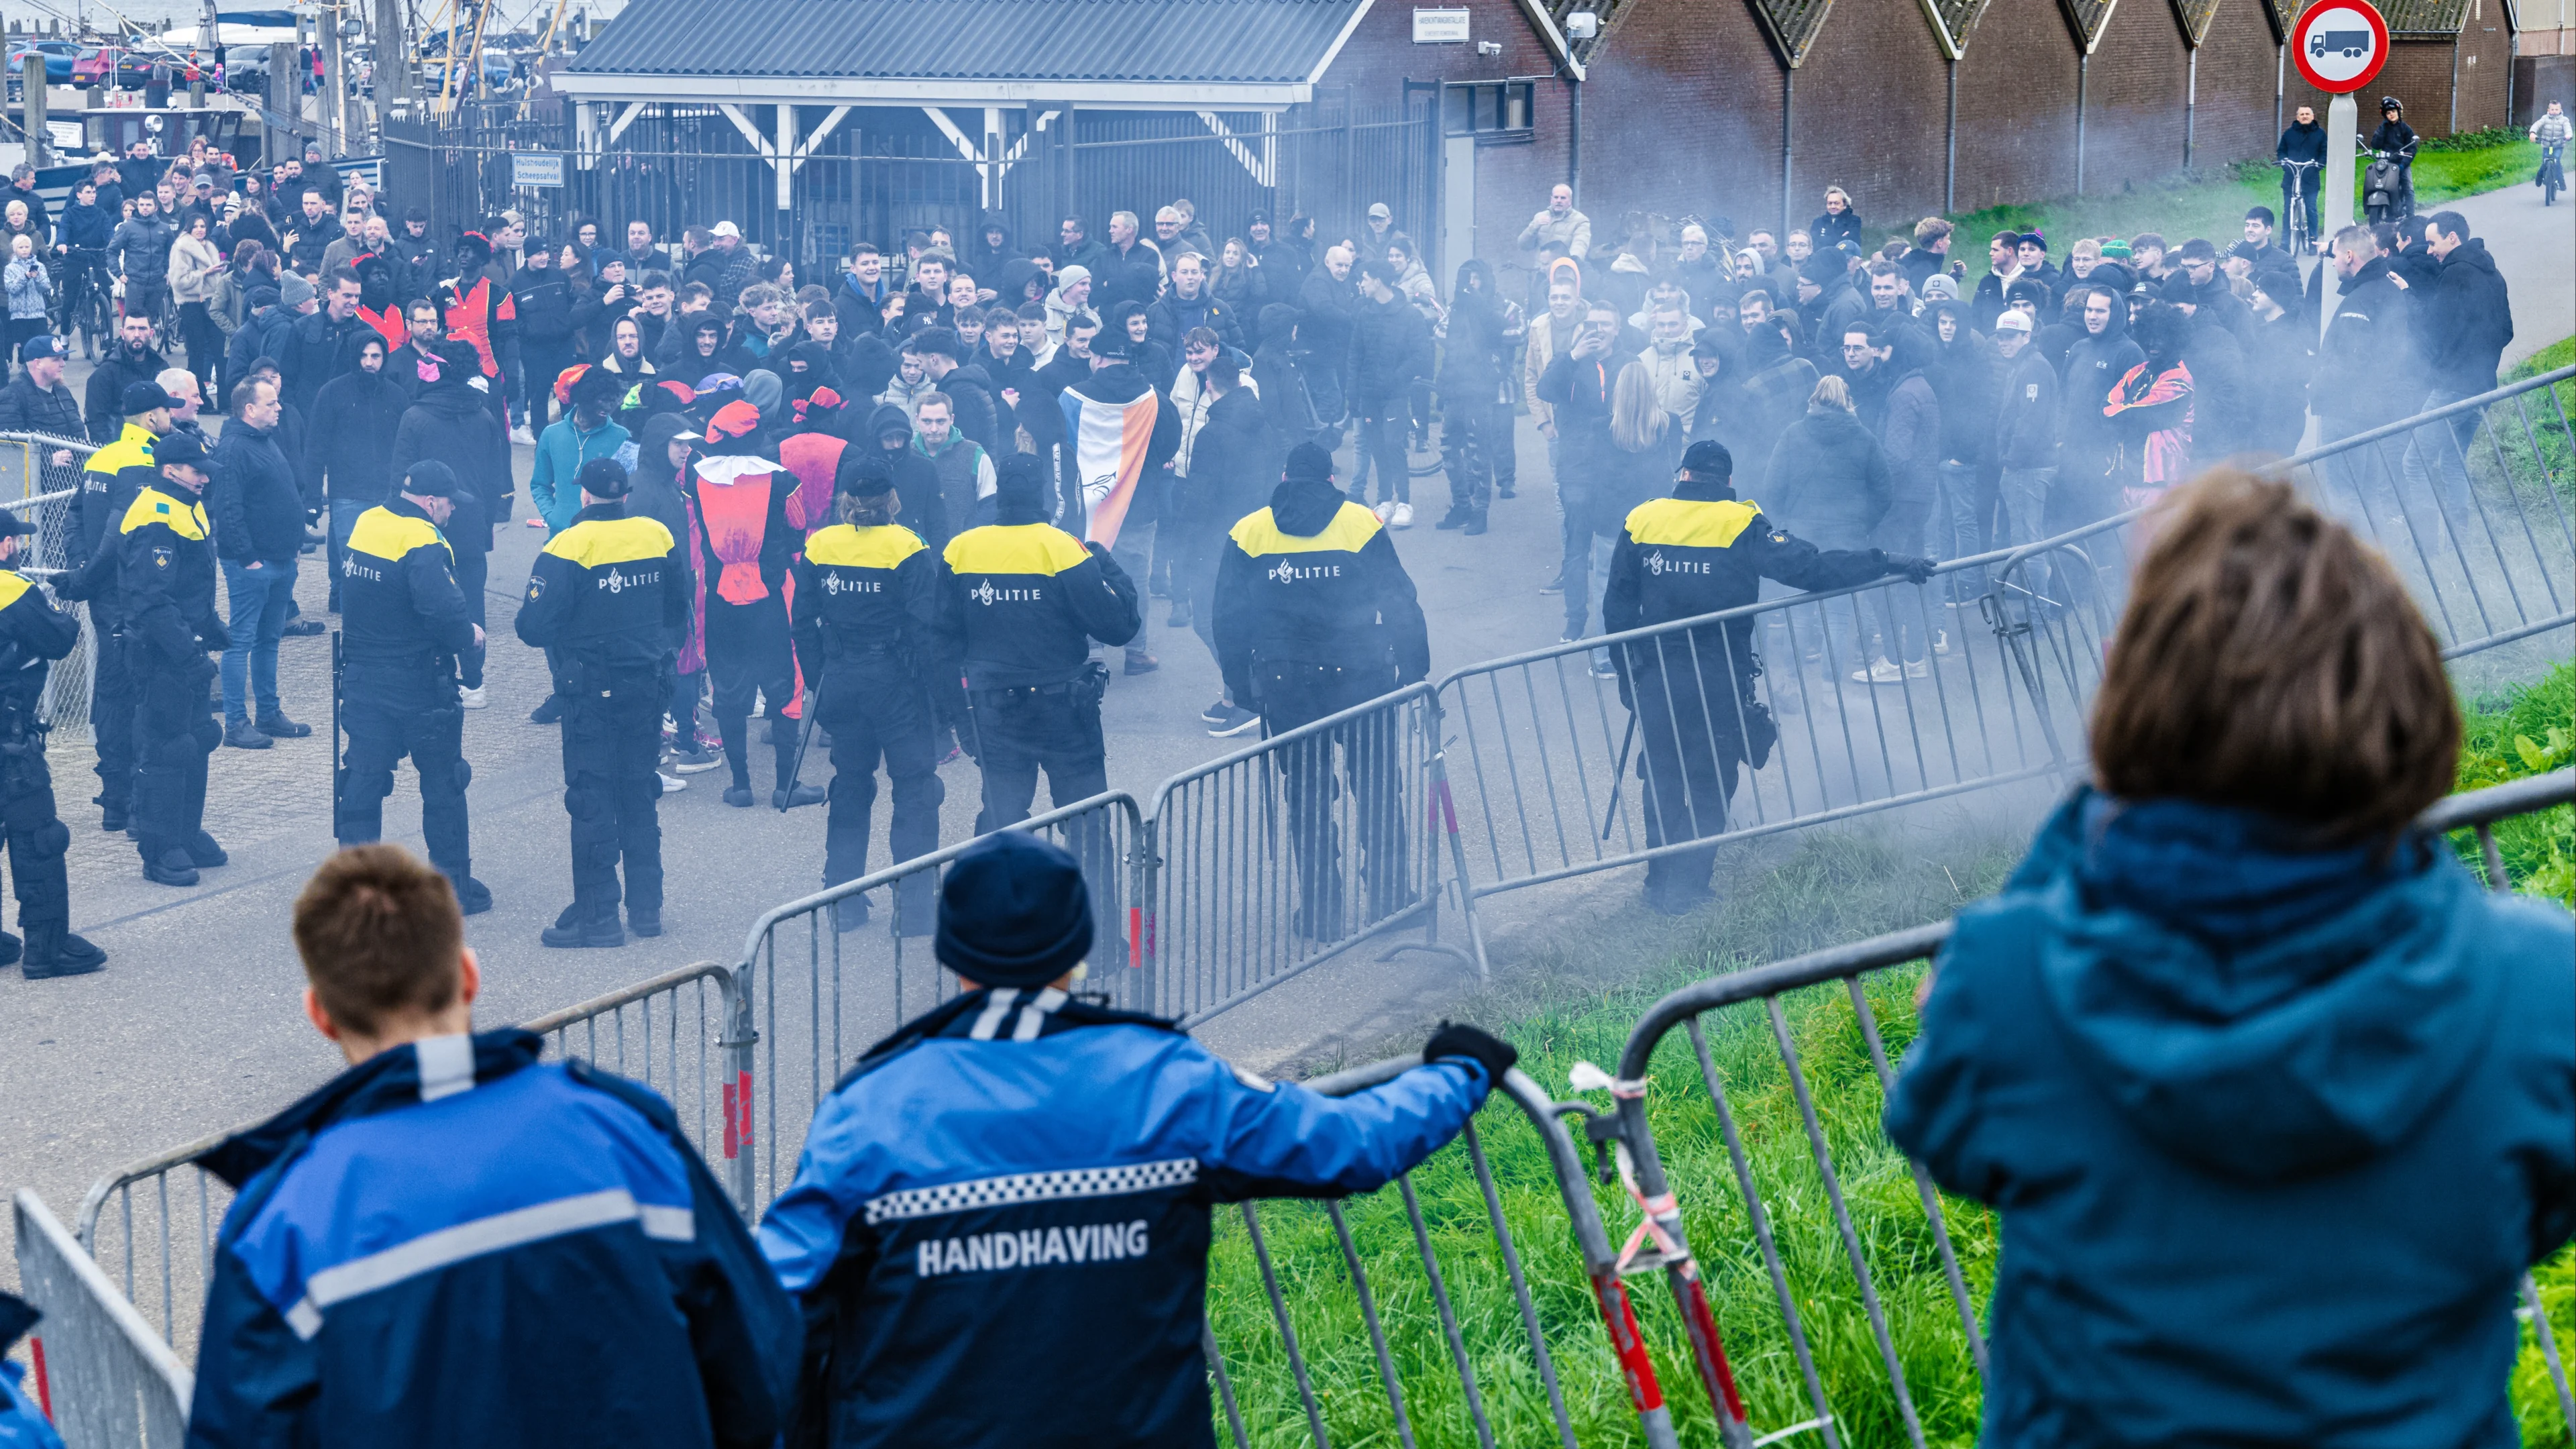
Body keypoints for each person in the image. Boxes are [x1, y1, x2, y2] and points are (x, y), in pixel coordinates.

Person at [1885, 468, 2573, 1446]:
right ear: (2411, 697)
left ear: (2134, 716)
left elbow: (1940, 1131)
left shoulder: (2010, 982)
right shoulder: (2535, 987)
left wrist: (2100, 801)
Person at [760, 826, 1513, 1444]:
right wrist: (1458, 1072)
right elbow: (1352, 1143)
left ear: (952, 956)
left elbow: (773, 1309)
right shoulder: (1166, 1079)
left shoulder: (872, 1109)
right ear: (1079, 947)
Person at [186, 843, 799, 1446]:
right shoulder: (624, 1135)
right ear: (469, 975)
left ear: (320, 1013)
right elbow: (763, 1367)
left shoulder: (282, 1227)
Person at [1605, 439, 1931, 913]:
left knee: (1661, 778)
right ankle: (1692, 888)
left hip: (1658, 673)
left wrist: (1625, 673)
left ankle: (1659, 885)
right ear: (1729, 482)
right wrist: (1886, 561)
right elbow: (1812, 568)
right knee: (1713, 781)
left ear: (1682, 475)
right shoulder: (1743, 523)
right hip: (1720, 675)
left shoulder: (1643, 519)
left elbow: (1616, 606)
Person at [1210, 441, 1429, 935]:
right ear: (1331, 480)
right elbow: (1399, 600)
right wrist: (1415, 672)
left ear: (1285, 478)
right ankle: (1391, 900)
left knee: (1306, 793)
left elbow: (1227, 616)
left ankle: (1321, 910)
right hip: (1362, 673)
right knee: (1376, 787)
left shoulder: (1251, 530)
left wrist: (1241, 683)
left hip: (1286, 682)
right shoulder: (1359, 522)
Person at [515, 457, 684, 947]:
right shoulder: (656, 535)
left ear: (585, 496)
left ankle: (599, 919)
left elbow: (532, 627)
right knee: (638, 793)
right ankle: (648, 910)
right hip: (648, 686)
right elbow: (677, 607)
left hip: (591, 690)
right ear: (625, 495)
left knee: (592, 800)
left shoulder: (568, 544)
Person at [936, 453, 1141, 832]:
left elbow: (942, 643)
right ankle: (1092, 893)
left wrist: (960, 718)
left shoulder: (960, 550)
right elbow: (1121, 628)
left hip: (995, 711)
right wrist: (1106, 564)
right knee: (1086, 823)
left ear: (1000, 495)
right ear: (1041, 494)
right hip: (1063, 709)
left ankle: (996, 892)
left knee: (1003, 823)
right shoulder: (1063, 548)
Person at [790, 454, 947, 932]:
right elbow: (927, 630)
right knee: (915, 790)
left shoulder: (820, 545)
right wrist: (941, 699)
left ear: (846, 498)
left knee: (851, 788)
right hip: (895, 682)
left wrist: (821, 679)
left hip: (842, 679)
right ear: (892, 499)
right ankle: (916, 909)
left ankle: (842, 901)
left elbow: (802, 624)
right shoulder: (908, 546)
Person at [333, 461, 488, 912]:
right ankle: (453, 886)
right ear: (430, 501)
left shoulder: (368, 522)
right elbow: (442, 609)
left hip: (363, 675)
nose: (451, 513)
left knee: (362, 779)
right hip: (419, 680)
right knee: (444, 782)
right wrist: (470, 638)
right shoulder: (423, 539)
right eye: (449, 505)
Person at [686, 401, 818, 810]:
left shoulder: (696, 480)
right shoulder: (783, 481)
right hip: (773, 596)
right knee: (784, 685)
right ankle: (786, 785)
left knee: (728, 687)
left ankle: (741, 785)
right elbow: (799, 525)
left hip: (720, 596)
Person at [115, 429, 225, 888]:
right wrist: (187, 654)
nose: (203, 477)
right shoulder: (157, 515)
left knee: (197, 738)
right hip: (162, 655)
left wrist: (211, 627)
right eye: (196, 469)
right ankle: (160, 850)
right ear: (170, 470)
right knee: (166, 748)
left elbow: (189, 583)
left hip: (187, 646)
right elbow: (152, 601)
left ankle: (186, 831)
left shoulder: (185, 505)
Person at [0, 505, 105, 979]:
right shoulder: (12, 590)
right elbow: (62, 638)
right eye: (15, 541)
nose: (18, 548)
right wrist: (47, 602)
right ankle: (47, 948)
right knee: (39, 836)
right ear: (5, 545)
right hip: (10, 742)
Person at [209, 377, 311, 749]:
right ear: (249, 409)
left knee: (269, 640)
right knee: (242, 642)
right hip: (252, 565)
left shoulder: (264, 440)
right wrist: (248, 558)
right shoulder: (234, 448)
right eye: (271, 403)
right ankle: (236, 723)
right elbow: (228, 508)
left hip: (282, 560)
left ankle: (268, 712)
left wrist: (294, 547)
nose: (279, 408)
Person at [2400, 211, 2513, 533]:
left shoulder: (2454, 275)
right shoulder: (2494, 274)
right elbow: (2506, 331)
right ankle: (2459, 537)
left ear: (2453, 238)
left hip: (2451, 387)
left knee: (2415, 462)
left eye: (2433, 243)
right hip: (2483, 386)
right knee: (2452, 460)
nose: (2429, 251)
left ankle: (2426, 542)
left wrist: (2407, 293)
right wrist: (2481, 356)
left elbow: (2432, 328)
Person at [2368, 96, 2419, 217]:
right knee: (2377, 183)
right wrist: (2382, 130)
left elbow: (2412, 149)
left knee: (2408, 187)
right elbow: (2375, 145)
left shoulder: (2406, 129)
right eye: (2388, 113)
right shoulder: (2383, 128)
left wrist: (2403, 164)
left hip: (2402, 162)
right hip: (2386, 162)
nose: (2391, 115)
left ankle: (2411, 218)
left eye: (2393, 112)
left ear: (2398, 112)